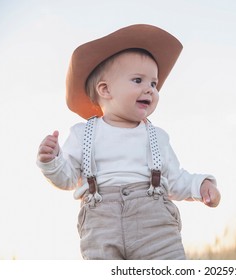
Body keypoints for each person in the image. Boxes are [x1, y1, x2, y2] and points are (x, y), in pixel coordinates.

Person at [36, 24, 221, 260]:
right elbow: (68, 178)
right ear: (105, 89)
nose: (150, 89)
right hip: (101, 227)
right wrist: (52, 162)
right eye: (138, 80)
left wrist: (201, 185)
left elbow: (176, 179)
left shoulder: (157, 137)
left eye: (154, 84)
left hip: (155, 227)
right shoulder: (83, 134)